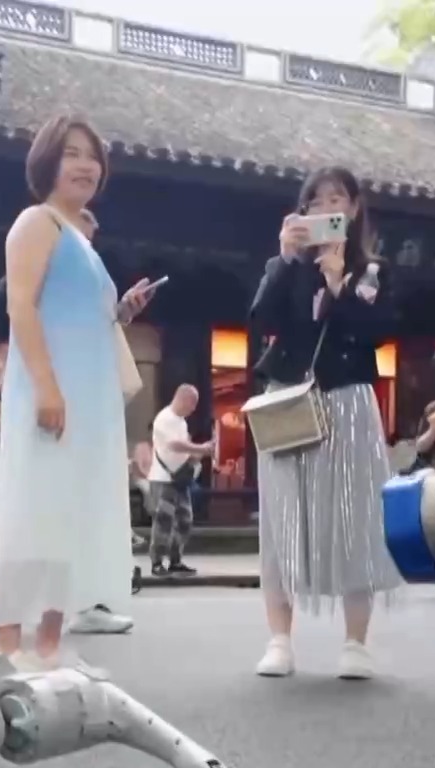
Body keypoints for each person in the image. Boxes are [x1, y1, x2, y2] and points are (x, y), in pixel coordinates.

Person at [0, 115, 155, 668]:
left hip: (86, 397)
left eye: (92, 155)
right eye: (71, 154)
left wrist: (122, 311)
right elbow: (21, 307)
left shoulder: (80, 239)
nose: (86, 165)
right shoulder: (37, 223)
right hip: (51, 391)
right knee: (32, 511)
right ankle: (10, 646)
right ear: (47, 162)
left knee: (67, 517)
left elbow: (84, 318)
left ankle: (50, 646)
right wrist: (46, 387)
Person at [246, 166, 403, 680]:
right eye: (315, 201)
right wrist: (285, 258)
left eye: (336, 199)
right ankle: (279, 639)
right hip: (289, 399)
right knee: (282, 516)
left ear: (354, 209)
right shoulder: (288, 266)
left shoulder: (371, 270)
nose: (325, 209)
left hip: (347, 400)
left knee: (355, 515)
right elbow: (262, 319)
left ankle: (356, 642)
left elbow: (376, 332)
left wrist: (340, 282)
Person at [0, 213, 138, 640]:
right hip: (39, 396)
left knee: (75, 505)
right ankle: (6, 610)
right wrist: (16, 398)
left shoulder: (91, 278)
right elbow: (6, 340)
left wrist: (121, 313)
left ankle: (81, 605)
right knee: (28, 502)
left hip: (82, 399)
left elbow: (94, 332)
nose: (84, 243)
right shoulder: (27, 258)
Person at [147, 384, 213, 578]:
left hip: (179, 478)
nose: (193, 409)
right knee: (164, 521)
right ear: (183, 399)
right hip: (163, 479)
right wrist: (200, 448)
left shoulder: (181, 422)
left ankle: (175, 560)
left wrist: (197, 455)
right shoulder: (165, 418)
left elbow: (182, 448)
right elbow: (174, 445)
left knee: (184, 520)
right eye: (193, 404)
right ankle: (157, 562)